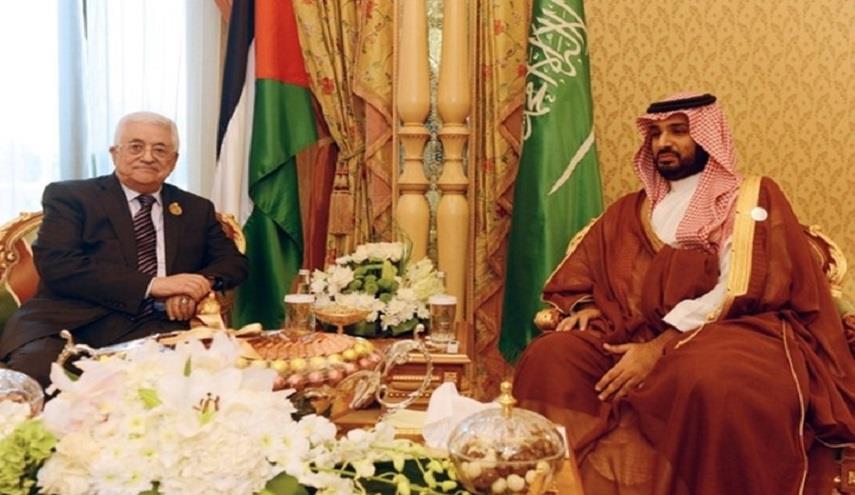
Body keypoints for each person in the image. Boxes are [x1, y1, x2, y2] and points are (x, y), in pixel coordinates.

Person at [513, 93, 855, 494]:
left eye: (678, 131)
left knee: (707, 378)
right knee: (550, 357)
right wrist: (587, 304)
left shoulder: (749, 198)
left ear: (709, 136)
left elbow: (738, 285)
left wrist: (658, 349)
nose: (664, 143)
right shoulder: (630, 210)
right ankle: (557, 486)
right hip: (631, 330)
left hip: (732, 330)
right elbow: (587, 269)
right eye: (656, 133)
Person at [0, 111, 248, 387]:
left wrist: (195, 285)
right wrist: (155, 285)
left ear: (174, 160)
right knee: (35, 382)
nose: (148, 157)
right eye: (136, 146)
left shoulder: (195, 208)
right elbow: (59, 264)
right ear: (114, 153)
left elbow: (233, 262)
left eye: (160, 149)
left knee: (205, 381)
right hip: (68, 323)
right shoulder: (71, 197)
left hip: (156, 326)